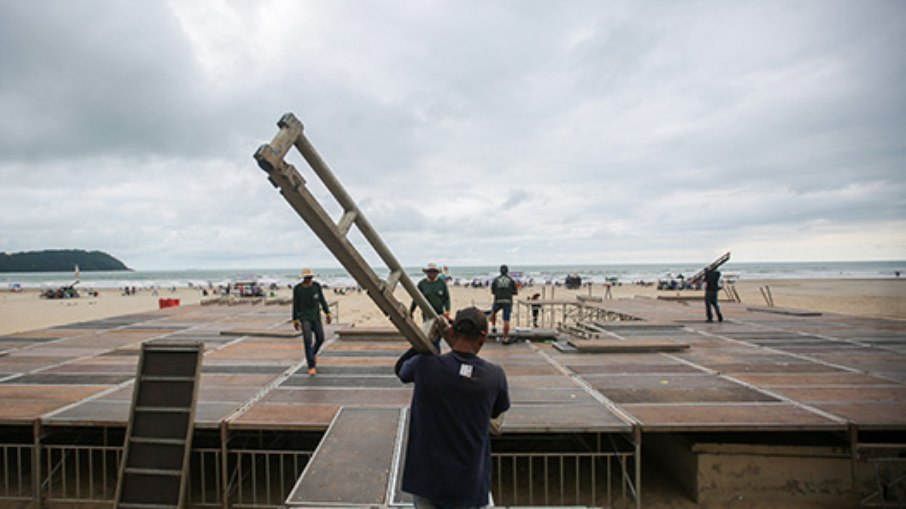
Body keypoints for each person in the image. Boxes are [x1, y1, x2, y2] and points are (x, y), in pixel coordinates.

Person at [395, 306, 510, 508]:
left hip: (427, 480)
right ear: (483, 337)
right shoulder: (494, 376)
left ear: (452, 332)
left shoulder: (426, 365)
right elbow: (497, 411)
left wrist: (428, 341)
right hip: (469, 483)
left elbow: (401, 370)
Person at [292, 268, 332, 375]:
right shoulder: (297, 289)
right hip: (304, 317)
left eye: (310, 277)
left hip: (316, 317)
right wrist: (295, 319)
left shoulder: (316, 286)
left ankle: (312, 354)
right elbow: (295, 305)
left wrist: (327, 313)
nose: (309, 280)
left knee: (321, 338)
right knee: (307, 340)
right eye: (307, 278)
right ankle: (311, 365)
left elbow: (322, 300)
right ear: (303, 278)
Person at [409, 263, 452, 350]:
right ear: (426, 272)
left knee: (439, 334)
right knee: (429, 335)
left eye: (434, 271)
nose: (432, 273)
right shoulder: (422, 284)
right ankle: (434, 351)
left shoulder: (442, 283)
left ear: (437, 272)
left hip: (440, 314)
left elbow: (446, 298)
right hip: (427, 315)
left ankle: (435, 350)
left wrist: (447, 311)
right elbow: (416, 298)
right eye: (430, 271)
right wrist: (411, 311)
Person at [490, 264, 518, 344]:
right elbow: (515, 292)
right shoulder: (511, 280)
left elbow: (493, 292)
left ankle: (493, 326)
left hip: (498, 300)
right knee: (506, 320)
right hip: (507, 301)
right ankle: (505, 338)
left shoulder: (496, 280)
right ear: (507, 271)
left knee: (493, 312)